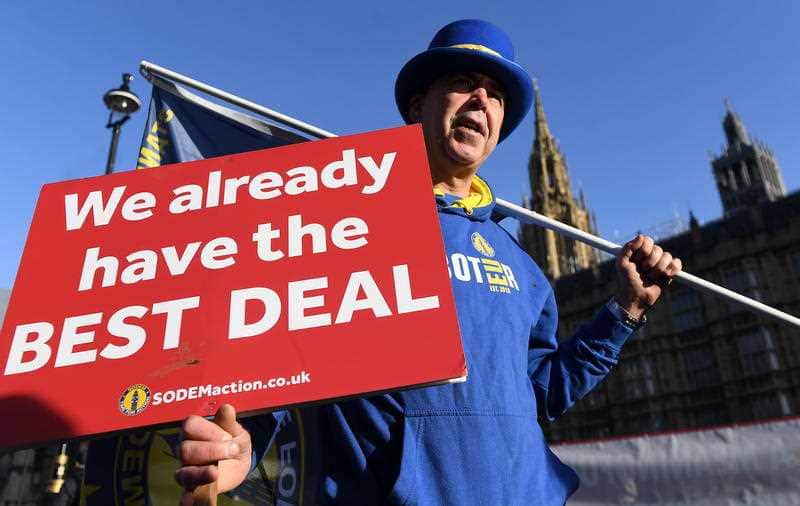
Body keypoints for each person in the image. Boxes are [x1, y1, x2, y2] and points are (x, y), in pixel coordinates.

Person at [175, 19, 682, 505]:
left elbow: (538, 396)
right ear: (419, 105)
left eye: (497, 94)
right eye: (463, 82)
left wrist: (625, 312)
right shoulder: (344, 226)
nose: (482, 100)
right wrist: (243, 439)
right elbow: (277, 362)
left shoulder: (523, 268)